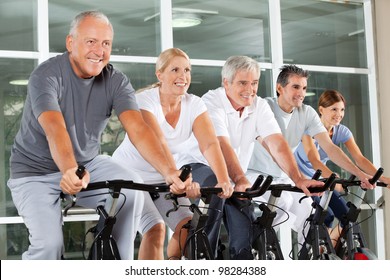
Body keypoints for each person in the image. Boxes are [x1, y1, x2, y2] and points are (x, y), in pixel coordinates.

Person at [6, 11, 191, 260]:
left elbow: (137, 128)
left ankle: (117, 265)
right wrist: (69, 169)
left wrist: (170, 171)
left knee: (131, 188)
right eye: (90, 41)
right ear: (71, 43)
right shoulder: (46, 75)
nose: (99, 50)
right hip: (34, 172)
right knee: (49, 246)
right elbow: (54, 127)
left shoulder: (115, 81)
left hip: (87, 164)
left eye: (106, 43)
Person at [180, 56, 324, 259]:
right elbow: (221, 144)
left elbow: (276, 143)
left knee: (243, 235)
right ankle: (205, 259)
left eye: (254, 83)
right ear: (226, 83)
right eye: (243, 83)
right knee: (216, 188)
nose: (250, 89)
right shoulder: (211, 102)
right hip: (199, 165)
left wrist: (298, 179)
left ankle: (243, 261)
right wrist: (239, 179)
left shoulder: (258, 105)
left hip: (232, 172)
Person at [112, 48, 233, 260]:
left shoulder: (194, 103)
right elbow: (158, 141)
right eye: (175, 69)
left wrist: (223, 180)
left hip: (163, 177)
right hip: (130, 176)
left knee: (189, 228)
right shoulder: (144, 101)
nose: (183, 76)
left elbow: (210, 144)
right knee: (155, 229)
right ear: (160, 75)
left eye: (187, 70)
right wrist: (175, 176)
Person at [246, 65, 375, 251]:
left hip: (283, 176)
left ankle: (310, 258)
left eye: (304, 88)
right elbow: (274, 149)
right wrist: (298, 177)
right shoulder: (264, 107)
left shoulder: (306, 113)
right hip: (255, 174)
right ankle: (256, 245)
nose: (301, 93)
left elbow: (330, 148)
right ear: (280, 88)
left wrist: (360, 174)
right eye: (296, 87)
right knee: (283, 202)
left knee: (311, 217)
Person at [294, 89, 390, 243]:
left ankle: (332, 249)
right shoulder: (308, 129)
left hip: (324, 179)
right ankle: (318, 253)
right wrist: (334, 180)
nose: (339, 114)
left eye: (342, 109)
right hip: (303, 180)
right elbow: (315, 161)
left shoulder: (341, 131)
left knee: (349, 218)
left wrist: (384, 179)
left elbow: (359, 158)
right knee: (327, 216)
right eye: (334, 109)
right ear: (321, 110)